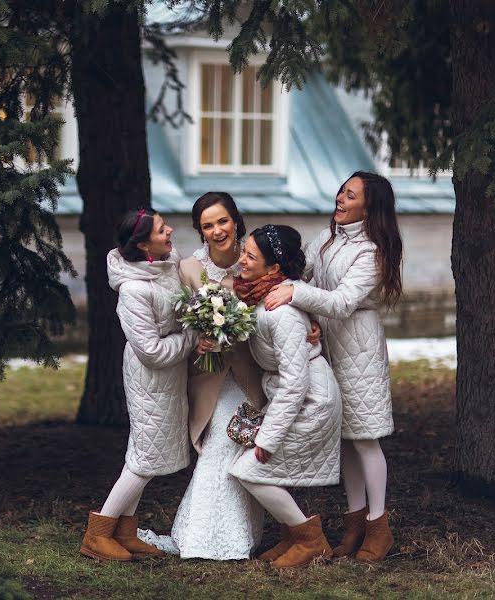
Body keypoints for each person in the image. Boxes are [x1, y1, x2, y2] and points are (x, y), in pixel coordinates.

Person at [263, 172, 402, 562]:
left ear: (369, 207)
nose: (340, 198)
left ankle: (379, 527)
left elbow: (342, 302)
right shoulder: (326, 239)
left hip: (358, 348)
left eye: (351, 195)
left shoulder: (372, 251)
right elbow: (302, 277)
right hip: (327, 345)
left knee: (366, 437)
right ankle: (354, 524)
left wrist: (298, 292)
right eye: (341, 190)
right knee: (344, 438)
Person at [147, 192, 267, 559]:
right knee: (219, 443)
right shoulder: (188, 269)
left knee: (243, 444)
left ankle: (242, 533)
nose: (217, 231)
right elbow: (176, 321)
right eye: (208, 226)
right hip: (209, 376)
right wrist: (198, 339)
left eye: (223, 221)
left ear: (236, 220)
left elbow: (286, 290)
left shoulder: (256, 257)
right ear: (200, 232)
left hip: (251, 372)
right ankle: (201, 536)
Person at [80, 208, 202, 562]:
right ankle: (97, 533)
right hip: (150, 377)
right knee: (146, 459)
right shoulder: (133, 290)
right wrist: (192, 337)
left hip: (170, 376)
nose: (170, 232)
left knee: (140, 451)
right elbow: (150, 351)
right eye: (162, 230)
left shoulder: (165, 263)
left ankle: (125, 531)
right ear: (144, 244)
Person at [228, 224, 343, 569]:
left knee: (250, 471)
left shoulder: (282, 312)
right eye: (244, 252)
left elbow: (295, 382)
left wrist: (269, 434)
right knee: (264, 472)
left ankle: (310, 540)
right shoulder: (262, 295)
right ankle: (293, 536)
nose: (242, 260)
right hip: (292, 396)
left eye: (251, 256)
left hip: (311, 402)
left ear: (275, 269)